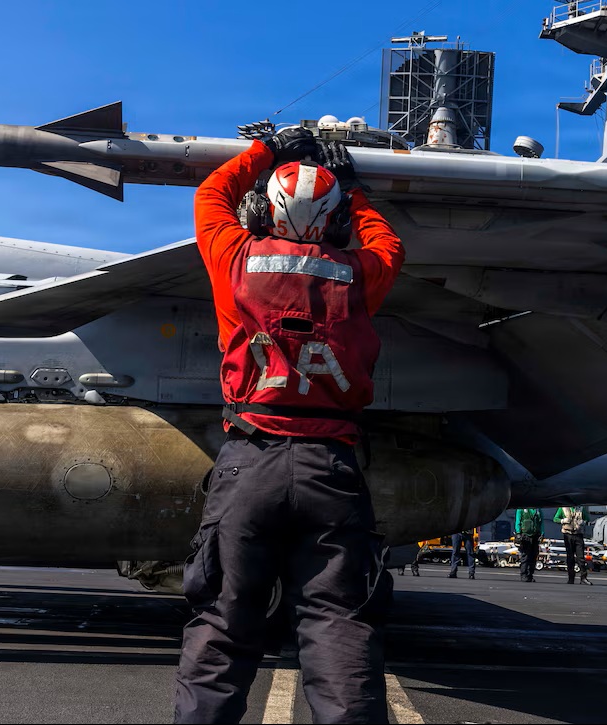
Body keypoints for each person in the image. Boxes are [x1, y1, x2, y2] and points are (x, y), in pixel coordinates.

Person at [173, 127, 405, 724]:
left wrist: (265, 153)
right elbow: (386, 243)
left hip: (250, 460)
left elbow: (210, 196)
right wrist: (350, 189)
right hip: (331, 468)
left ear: (266, 210)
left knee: (224, 625)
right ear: (334, 223)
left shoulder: (235, 259)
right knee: (338, 627)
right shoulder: (360, 275)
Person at [554, 506, 591, 585]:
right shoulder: (563, 508)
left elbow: (587, 519)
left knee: (581, 558)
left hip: (578, 535)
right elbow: (555, 518)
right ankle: (571, 578)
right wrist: (563, 520)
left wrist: (583, 522)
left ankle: (583, 578)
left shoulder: (581, 508)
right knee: (570, 558)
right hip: (568, 535)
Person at [515, 508, 543, 583]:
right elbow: (518, 521)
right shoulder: (521, 509)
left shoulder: (538, 510)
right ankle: (524, 575)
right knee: (525, 556)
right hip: (525, 536)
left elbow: (541, 522)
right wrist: (518, 533)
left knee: (533, 556)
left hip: (535, 536)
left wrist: (542, 533)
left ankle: (530, 574)